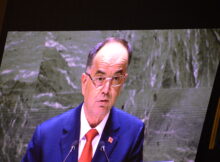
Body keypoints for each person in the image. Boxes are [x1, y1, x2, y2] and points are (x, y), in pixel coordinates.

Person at [22, 37, 145, 162]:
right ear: (84, 82)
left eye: (116, 79)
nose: (106, 90)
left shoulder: (133, 132)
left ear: (123, 83)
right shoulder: (46, 135)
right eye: (100, 78)